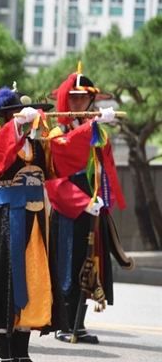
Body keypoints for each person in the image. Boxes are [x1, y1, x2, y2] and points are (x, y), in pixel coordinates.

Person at [0, 86, 116, 362]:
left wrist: (92, 125)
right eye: (20, 117)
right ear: (10, 117)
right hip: (7, 221)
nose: (31, 121)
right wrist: (16, 125)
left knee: (34, 282)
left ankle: (22, 352)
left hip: (36, 222)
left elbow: (67, 149)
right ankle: (3, 353)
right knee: (6, 282)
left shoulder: (39, 147)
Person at [47, 63, 127, 344]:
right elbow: (56, 175)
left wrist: (104, 198)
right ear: (65, 100)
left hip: (93, 201)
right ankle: (62, 323)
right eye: (74, 97)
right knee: (65, 263)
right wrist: (81, 202)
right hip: (69, 202)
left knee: (88, 260)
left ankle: (78, 322)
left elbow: (107, 167)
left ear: (91, 100)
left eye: (84, 97)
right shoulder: (57, 133)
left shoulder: (98, 132)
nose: (79, 101)